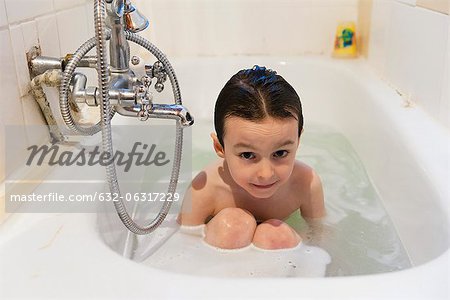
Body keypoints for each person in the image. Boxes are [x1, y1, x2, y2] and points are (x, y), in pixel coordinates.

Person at [178, 65, 325, 250]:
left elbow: (319, 237)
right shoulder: (206, 188)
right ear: (219, 147)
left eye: (280, 153)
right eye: (247, 155)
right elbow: (183, 243)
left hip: (278, 263)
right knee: (233, 226)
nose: (265, 174)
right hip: (221, 264)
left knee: (276, 235)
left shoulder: (306, 184)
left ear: (298, 140)